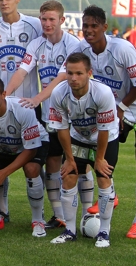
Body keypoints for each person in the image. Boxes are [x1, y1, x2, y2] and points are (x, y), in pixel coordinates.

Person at [78, 5, 136, 239]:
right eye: (85, 25)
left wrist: (121, 108)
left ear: (105, 27)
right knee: (104, 155)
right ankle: (111, 194)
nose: (89, 30)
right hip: (116, 109)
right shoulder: (83, 48)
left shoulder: (122, 48)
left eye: (94, 26)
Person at [4, 0, 89, 231]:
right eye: (44, 19)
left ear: (62, 20)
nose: (47, 23)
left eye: (52, 19)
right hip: (51, 115)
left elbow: (62, 78)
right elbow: (22, 72)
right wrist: (5, 94)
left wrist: (36, 99)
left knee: (80, 163)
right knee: (52, 162)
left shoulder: (73, 45)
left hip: (75, 112)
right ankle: (59, 215)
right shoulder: (36, 44)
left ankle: (90, 211)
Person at [0, 0, 42, 223]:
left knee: (38, 163)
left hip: (28, 104)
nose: (4, 3)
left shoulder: (36, 25)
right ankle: (3, 209)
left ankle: (48, 215)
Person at [49, 53, 119, 248]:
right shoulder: (58, 93)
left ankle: (104, 232)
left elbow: (105, 130)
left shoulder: (103, 93)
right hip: (78, 137)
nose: (73, 78)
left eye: (79, 73)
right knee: (69, 174)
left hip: (105, 138)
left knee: (103, 177)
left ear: (89, 73)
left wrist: (100, 158)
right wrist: (69, 159)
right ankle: (69, 230)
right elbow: (61, 128)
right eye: (70, 73)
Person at [0, 76, 49, 237]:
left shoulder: (23, 109)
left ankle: (38, 220)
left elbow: (30, 150)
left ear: (3, 94)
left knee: (32, 168)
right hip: (2, 145)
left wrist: (3, 173)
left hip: (33, 144)